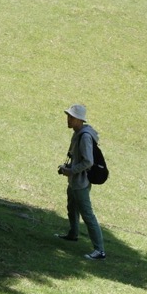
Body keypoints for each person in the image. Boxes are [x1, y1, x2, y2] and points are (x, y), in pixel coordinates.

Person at [56, 104, 106, 260]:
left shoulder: (84, 137)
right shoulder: (76, 134)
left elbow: (88, 162)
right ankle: (73, 233)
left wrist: (70, 171)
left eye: (71, 117)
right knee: (72, 206)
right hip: (74, 180)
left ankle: (100, 251)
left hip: (81, 182)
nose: (68, 119)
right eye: (68, 116)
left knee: (87, 215)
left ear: (79, 120)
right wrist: (67, 167)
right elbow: (76, 157)